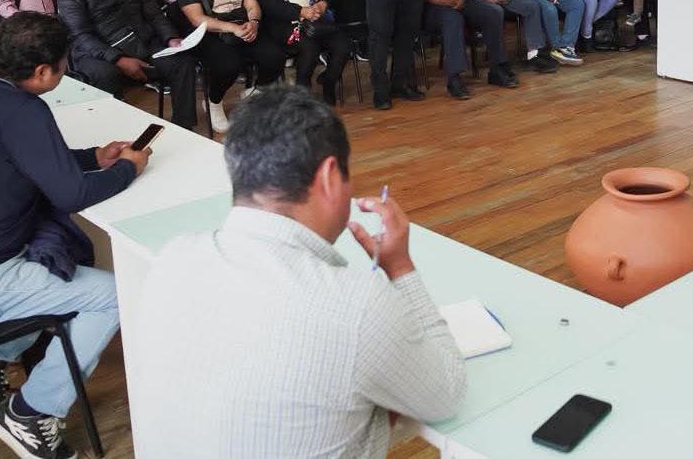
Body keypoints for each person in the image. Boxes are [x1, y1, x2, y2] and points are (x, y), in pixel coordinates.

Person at [132, 87, 465, 457]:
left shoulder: (174, 257)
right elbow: (446, 393)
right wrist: (400, 267)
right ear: (329, 177)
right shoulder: (355, 306)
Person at [0, 12, 149, 459]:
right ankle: (30, 413)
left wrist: (93, 157)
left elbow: (26, 157)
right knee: (115, 297)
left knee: (63, 260)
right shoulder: (22, 109)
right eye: (63, 65)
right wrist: (127, 169)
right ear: (42, 72)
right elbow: (72, 194)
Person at [60, 0, 199, 128]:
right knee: (105, 74)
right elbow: (80, 35)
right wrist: (118, 59)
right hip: (100, 50)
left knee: (182, 62)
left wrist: (171, 38)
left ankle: (183, 126)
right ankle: (115, 132)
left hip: (142, 40)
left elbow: (153, 12)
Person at [176, 0, 287, 133]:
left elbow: (251, 3)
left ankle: (254, 92)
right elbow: (197, 19)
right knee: (229, 65)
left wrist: (254, 22)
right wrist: (232, 28)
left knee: (276, 55)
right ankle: (213, 101)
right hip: (212, 35)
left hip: (244, 28)